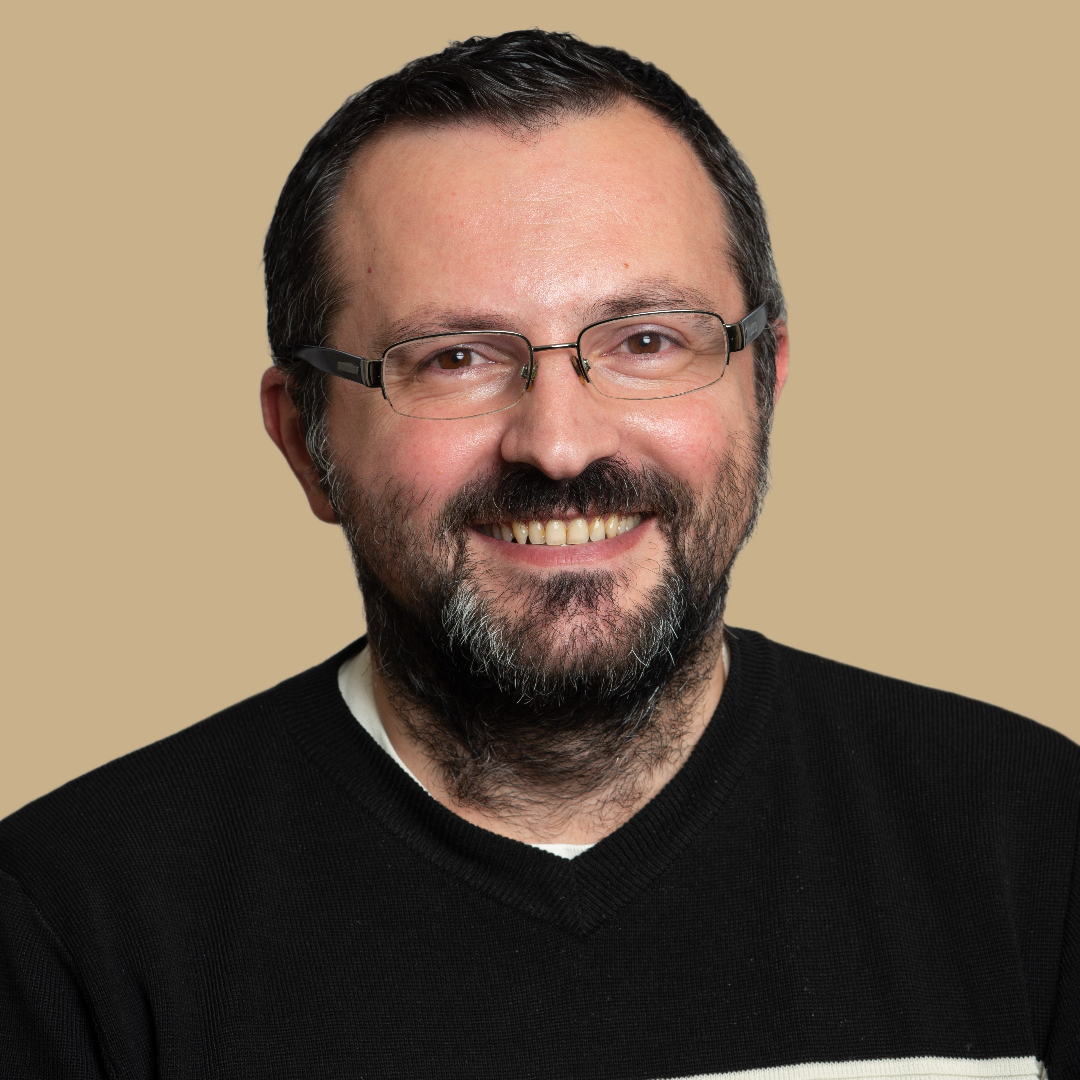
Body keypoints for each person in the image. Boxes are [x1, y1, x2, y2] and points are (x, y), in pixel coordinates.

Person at [1, 29, 1076, 1080]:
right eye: (455, 357)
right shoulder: (66, 928)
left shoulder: (1032, 840)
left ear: (765, 382)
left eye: (648, 341)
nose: (560, 444)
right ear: (306, 442)